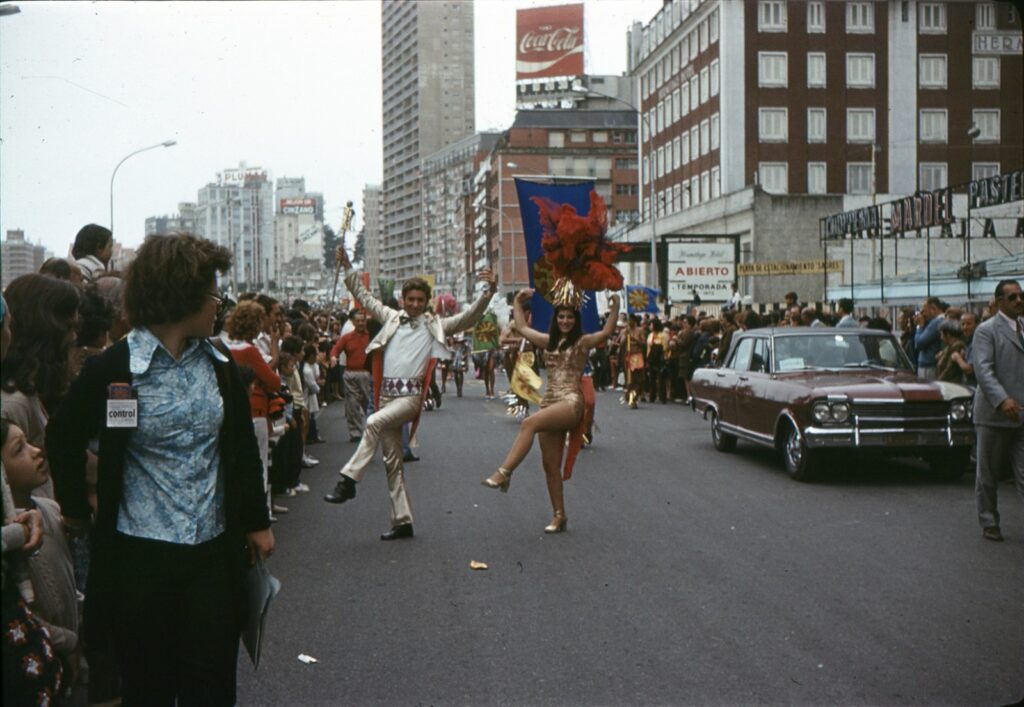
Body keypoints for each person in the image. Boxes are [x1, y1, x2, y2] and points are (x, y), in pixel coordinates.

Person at [46, 233, 274, 704]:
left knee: (211, 687)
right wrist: (77, 507)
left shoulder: (219, 365)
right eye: (212, 293)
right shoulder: (116, 368)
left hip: (213, 554)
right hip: (139, 560)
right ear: (181, 295)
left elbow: (239, 449)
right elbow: (63, 436)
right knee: (148, 688)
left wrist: (256, 522)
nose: (219, 303)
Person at [324, 246, 498, 541]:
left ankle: (348, 480)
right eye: (411, 300)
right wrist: (350, 267)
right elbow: (364, 299)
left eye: (420, 300)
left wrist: (488, 293)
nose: (415, 304)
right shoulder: (391, 317)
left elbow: (468, 319)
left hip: (410, 399)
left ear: (427, 302)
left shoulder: (435, 325)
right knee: (392, 464)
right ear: (403, 300)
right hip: (387, 397)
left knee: (372, 423)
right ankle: (402, 521)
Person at [482, 288, 620, 533]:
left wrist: (615, 306)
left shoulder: (583, 341)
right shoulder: (549, 341)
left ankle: (505, 472)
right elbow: (523, 329)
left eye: (569, 317)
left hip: (570, 402)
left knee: (529, 423)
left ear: (576, 320)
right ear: (555, 319)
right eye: (561, 317)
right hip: (549, 401)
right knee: (550, 465)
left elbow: (608, 332)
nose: (565, 321)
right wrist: (516, 300)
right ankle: (559, 515)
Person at [3, 419, 81, 692]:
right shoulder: (9, 543)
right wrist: (67, 640)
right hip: (44, 653)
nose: (37, 451)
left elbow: (67, 577)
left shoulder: (49, 509)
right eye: (19, 450)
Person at [2, 274, 81, 500]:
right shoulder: (13, 404)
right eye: (69, 327)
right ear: (46, 331)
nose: (74, 337)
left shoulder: (28, 390)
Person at [970, 279, 1024, 542]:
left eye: (1020, 296)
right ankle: (989, 520)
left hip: (1022, 413)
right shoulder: (986, 330)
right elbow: (983, 369)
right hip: (994, 414)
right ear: (1000, 301)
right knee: (988, 473)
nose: (1019, 301)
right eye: (1012, 297)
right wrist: (1003, 400)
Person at [331, 308, 372, 442]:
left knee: (369, 404)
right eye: (358, 321)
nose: (360, 323)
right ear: (353, 322)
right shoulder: (347, 338)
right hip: (350, 374)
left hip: (367, 375)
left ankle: (371, 430)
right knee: (352, 405)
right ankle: (355, 433)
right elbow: (336, 349)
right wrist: (333, 357)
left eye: (363, 321)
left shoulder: (371, 336)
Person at [914, 296, 945, 380]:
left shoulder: (937, 322)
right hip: (928, 366)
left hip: (929, 367)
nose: (923, 314)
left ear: (933, 309)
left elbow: (919, 343)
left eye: (924, 311)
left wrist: (919, 326)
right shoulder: (933, 322)